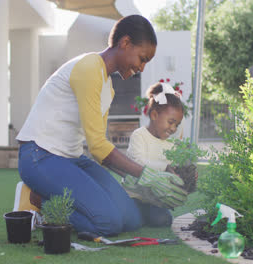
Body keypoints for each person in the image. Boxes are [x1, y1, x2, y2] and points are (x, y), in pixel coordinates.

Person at [16, 15, 187, 237]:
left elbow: (100, 150)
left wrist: (143, 181)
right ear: (125, 43)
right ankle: (38, 200)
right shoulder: (88, 68)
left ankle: (53, 197)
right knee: (108, 224)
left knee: (131, 218)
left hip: (71, 159)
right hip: (39, 156)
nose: (142, 68)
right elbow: (97, 146)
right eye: (142, 58)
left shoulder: (108, 86)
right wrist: (148, 176)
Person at [123, 82, 187, 226]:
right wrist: (164, 167)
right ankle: (136, 215)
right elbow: (138, 162)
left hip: (154, 199)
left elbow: (172, 169)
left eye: (177, 124)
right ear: (154, 115)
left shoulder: (171, 144)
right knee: (130, 221)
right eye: (171, 122)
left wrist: (183, 175)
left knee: (164, 220)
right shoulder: (140, 135)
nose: (173, 128)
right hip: (134, 195)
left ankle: (144, 216)